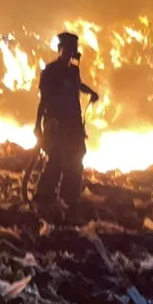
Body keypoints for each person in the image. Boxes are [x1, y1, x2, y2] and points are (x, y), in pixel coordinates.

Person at [33, 31, 100, 217]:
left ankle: (68, 200)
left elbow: (77, 85)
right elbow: (44, 100)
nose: (71, 53)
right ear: (60, 48)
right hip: (56, 124)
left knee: (76, 160)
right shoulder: (50, 71)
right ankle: (43, 199)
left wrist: (90, 92)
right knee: (56, 161)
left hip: (73, 125)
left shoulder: (73, 71)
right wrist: (38, 125)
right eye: (69, 48)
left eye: (74, 50)